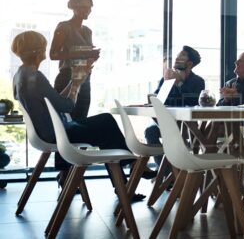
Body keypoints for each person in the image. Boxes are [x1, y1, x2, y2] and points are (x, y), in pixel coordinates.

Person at [12, 31, 147, 202]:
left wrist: (75, 81)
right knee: (107, 125)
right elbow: (67, 106)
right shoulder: (35, 77)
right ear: (39, 51)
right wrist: (76, 85)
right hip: (57, 134)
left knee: (106, 121)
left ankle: (128, 171)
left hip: (48, 132)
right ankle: (128, 172)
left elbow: (54, 102)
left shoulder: (21, 75)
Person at [145, 46, 205, 169]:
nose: (177, 58)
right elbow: (156, 97)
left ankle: (173, 172)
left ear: (190, 63)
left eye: (182, 56)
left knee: (176, 137)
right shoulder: (166, 78)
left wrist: (179, 83)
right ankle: (166, 173)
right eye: (177, 55)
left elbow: (193, 102)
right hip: (166, 121)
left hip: (187, 124)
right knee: (150, 131)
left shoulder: (198, 81)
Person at [50, 0, 100, 120]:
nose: (87, 10)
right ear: (74, 7)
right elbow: (53, 54)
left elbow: (85, 56)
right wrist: (83, 53)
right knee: (65, 119)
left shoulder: (88, 31)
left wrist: (93, 56)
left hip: (85, 78)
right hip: (67, 77)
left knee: (81, 119)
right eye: (83, 7)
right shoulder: (64, 27)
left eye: (89, 7)